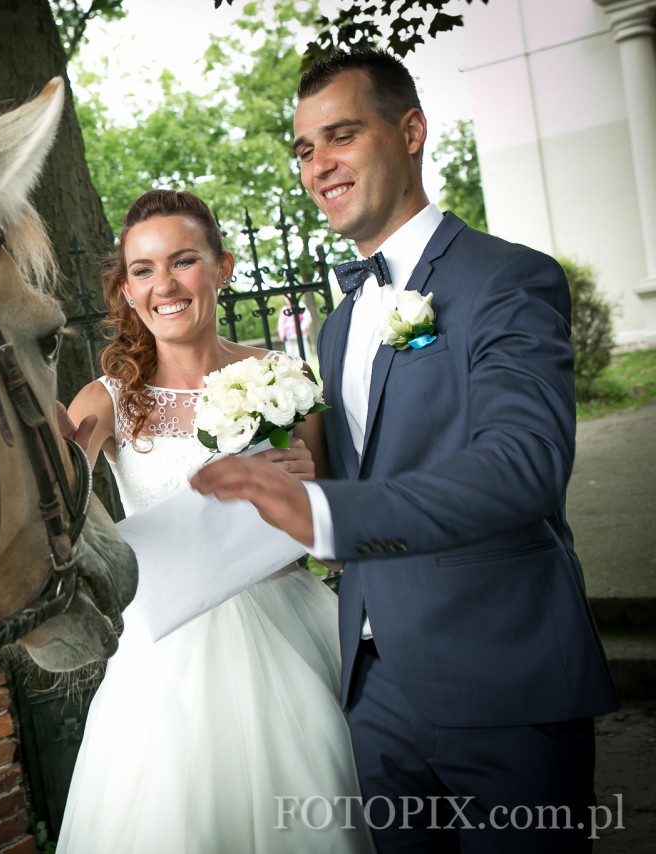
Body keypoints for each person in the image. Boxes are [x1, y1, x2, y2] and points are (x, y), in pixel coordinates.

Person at [190, 50, 618, 852]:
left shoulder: (509, 281)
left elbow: (523, 465)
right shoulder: (341, 323)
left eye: (341, 136)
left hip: (502, 677)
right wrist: (301, 481)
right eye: (306, 149)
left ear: (411, 131)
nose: (320, 166)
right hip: (374, 690)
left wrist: (328, 510)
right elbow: (372, 470)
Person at [56, 188, 372, 853]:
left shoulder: (283, 379)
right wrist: (49, 455)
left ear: (222, 268)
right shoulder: (107, 398)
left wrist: (316, 499)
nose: (162, 285)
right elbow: (57, 506)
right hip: (165, 660)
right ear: (126, 289)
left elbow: (340, 548)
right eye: (142, 269)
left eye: (183, 261)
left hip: (291, 631)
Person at [276, 296, 311, 360]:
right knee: (291, 357)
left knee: (303, 354)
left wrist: (300, 329)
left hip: (300, 336)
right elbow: (281, 323)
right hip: (289, 337)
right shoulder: (284, 309)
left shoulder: (300, 305)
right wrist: (281, 334)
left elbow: (307, 319)